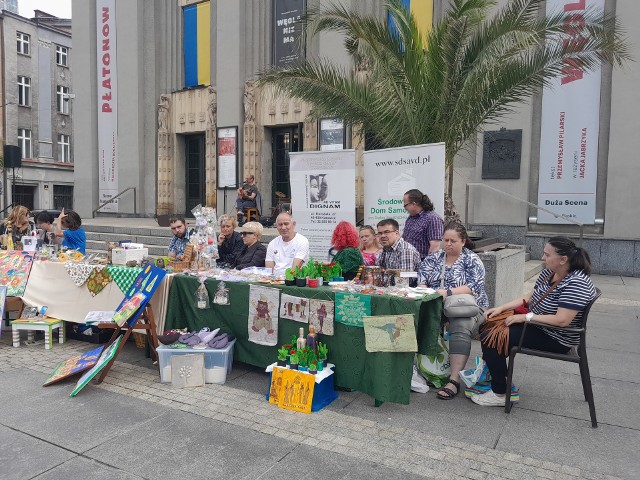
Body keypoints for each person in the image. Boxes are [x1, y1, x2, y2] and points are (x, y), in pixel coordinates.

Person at [472, 237, 596, 407]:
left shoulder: (576, 282)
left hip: (556, 337)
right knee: (487, 325)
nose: (542, 258)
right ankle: (497, 375)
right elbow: (528, 298)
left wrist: (525, 317)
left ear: (563, 259)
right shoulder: (550, 272)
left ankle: (500, 392)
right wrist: (500, 308)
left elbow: (562, 320)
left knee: (491, 336)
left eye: (547, 255)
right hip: (539, 326)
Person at [417, 222, 488, 400]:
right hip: (436, 304)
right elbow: (422, 278)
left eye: (453, 241)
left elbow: (475, 287)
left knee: (460, 325)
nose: (448, 244)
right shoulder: (434, 258)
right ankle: (420, 371)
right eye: (445, 240)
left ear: (463, 241)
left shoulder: (471, 259)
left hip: (466, 306)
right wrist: (424, 287)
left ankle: (454, 379)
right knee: (416, 319)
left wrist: (447, 292)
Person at [402, 189, 444, 259]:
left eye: (405, 205)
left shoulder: (433, 219)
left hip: (422, 262)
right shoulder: (410, 218)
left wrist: (427, 266)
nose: (405, 208)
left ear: (414, 204)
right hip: (408, 261)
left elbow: (435, 246)